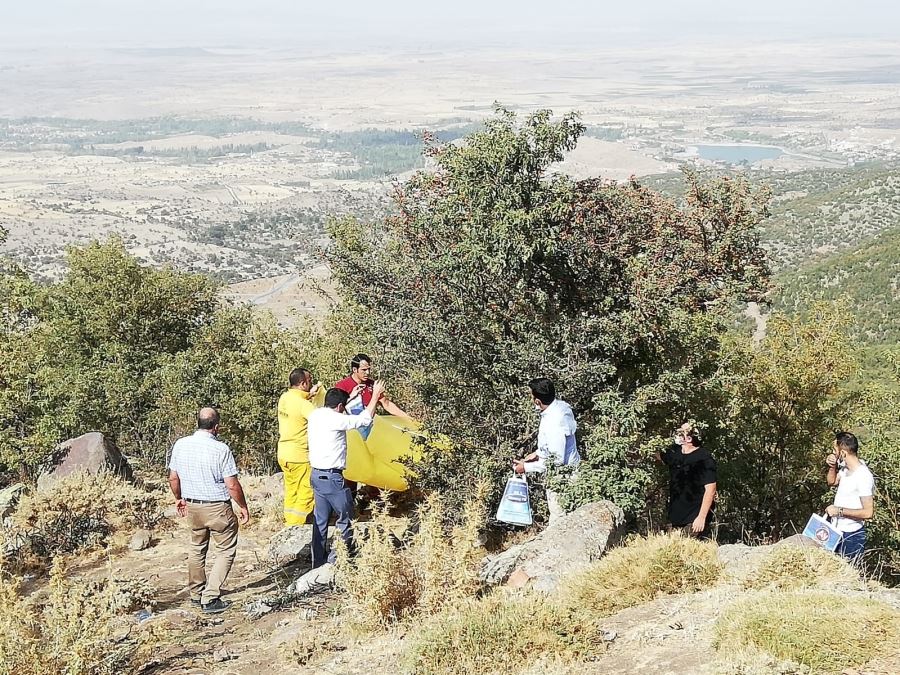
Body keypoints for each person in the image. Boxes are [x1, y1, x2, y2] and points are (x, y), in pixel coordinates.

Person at [167, 407, 250, 614]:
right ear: (216, 427)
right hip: (217, 506)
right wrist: (243, 506)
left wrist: (178, 498)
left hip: (193, 505)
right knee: (225, 550)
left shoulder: (181, 444)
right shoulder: (221, 449)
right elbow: (231, 484)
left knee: (196, 548)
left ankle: (196, 593)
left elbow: (173, 477)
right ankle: (211, 597)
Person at [307, 381, 385, 568]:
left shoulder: (315, 414)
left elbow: (337, 407)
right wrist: (374, 396)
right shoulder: (337, 420)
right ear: (341, 407)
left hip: (317, 475)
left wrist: (350, 397)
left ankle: (317, 563)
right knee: (346, 519)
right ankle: (338, 561)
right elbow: (365, 420)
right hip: (333, 479)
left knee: (321, 521)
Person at [512, 378, 581, 524]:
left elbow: (556, 460)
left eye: (532, 396)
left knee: (559, 520)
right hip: (571, 470)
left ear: (538, 401)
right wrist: (537, 454)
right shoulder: (561, 407)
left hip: (563, 479)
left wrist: (525, 467)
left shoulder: (553, 422)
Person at [277, 368, 321, 526]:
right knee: (306, 493)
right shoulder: (303, 405)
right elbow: (321, 419)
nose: (311, 383)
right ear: (303, 383)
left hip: (283, 453)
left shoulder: (285, 397)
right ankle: (294, 527)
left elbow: (298, 405)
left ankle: (288, 521)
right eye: (309, 381)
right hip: (299, 456)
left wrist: (310, 395)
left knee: (291, 491)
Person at [658, 422, 717, 539]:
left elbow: (710, 490)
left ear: (689, 438)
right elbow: (656, 455)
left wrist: (701, 518)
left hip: (694, 519)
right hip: (675, 518)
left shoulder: (704, 459)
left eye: (682, 432)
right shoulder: (674, 452)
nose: (678, 434)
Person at [825, 431, 875, 564]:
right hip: (835, 530)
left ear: (843, 453)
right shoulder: (845, 469)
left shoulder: (863, 476)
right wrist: (832, 465)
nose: (834, 453)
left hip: (852, 536)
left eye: (835, 451)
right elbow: (832, 482)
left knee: (847, 578)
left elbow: (868, 512)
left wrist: (839, 511)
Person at [334, 354, 408, 439]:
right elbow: (335, 410)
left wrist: (409, 419)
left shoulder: (372, 385)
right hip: (351, 434)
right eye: (364, 370)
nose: (367, 373)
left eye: (369, 369)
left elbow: (386, 404)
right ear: (355, 369)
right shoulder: (343, 386)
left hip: (370, 433)